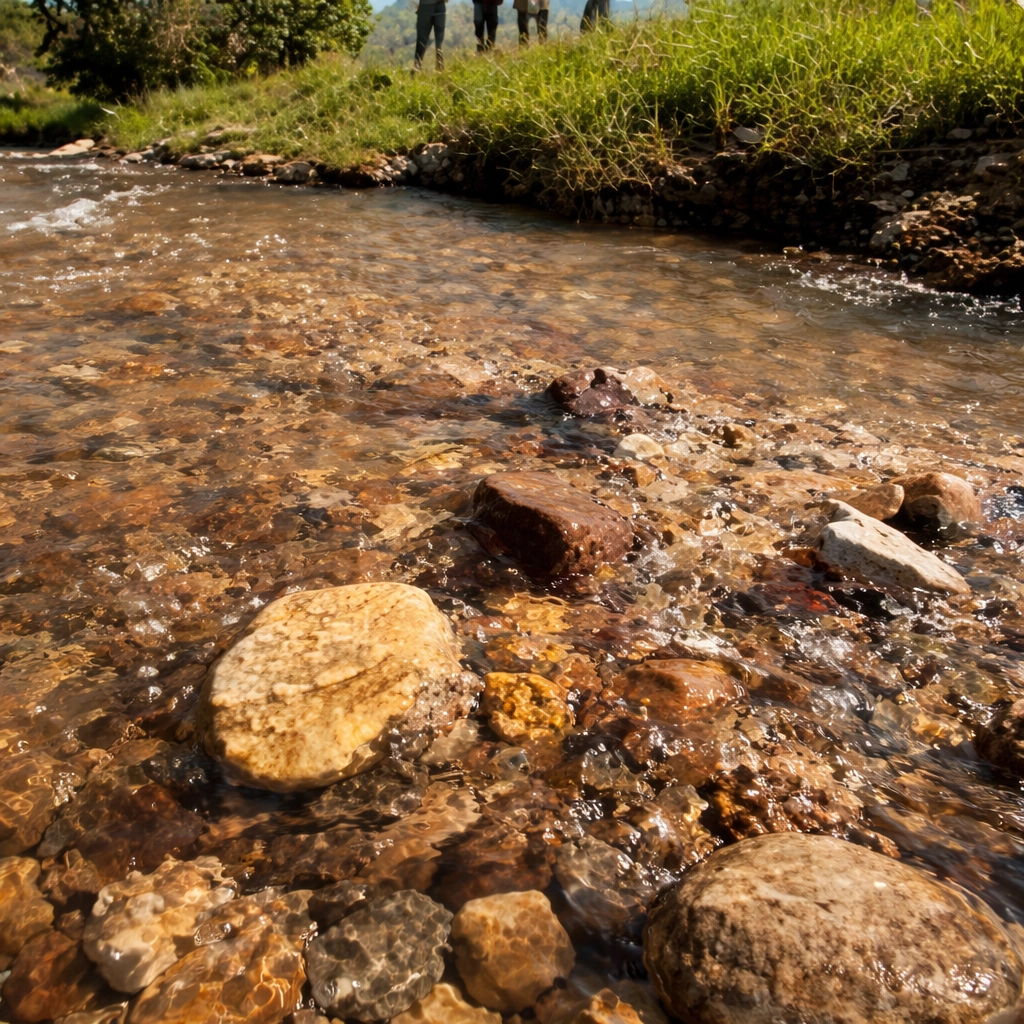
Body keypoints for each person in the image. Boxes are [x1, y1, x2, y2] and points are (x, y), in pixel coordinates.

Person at [414, 0, 446, 71]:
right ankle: (417, 68)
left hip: (435, 7)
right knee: (422, 41)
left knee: (439, 42)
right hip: (429, 7)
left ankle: (440, 68)